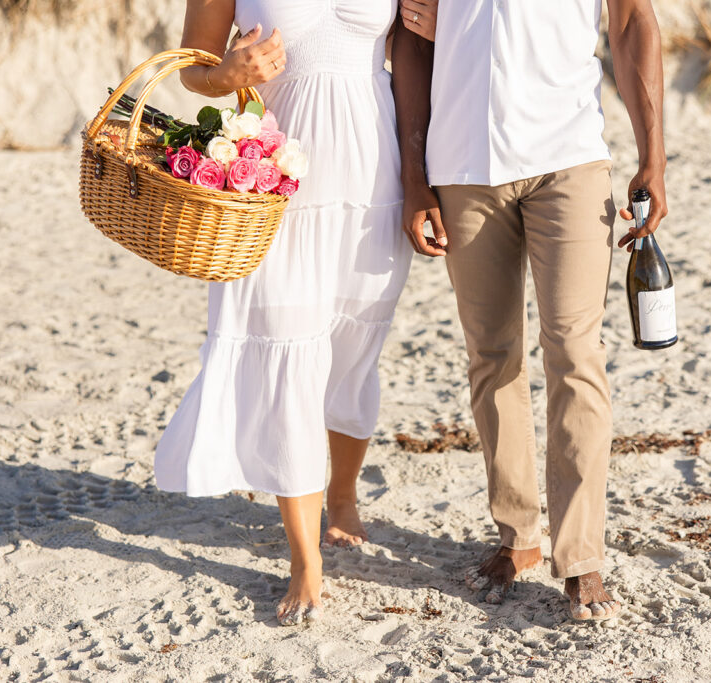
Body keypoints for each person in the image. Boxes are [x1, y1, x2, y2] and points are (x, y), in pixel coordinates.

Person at [393, 0, 668, 620]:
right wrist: (415, 174)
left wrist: (654, 151)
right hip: (463, 162)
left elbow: (630, 22)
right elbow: (410, 38)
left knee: (575, 350)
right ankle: (517, 538)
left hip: (568, 156)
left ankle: (582, 556)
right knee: (491, 355)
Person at [155, 0, 421, 626]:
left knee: (356, 348)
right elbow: (193, 69)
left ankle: (345, 494)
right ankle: (304, 558)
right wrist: (225, 75)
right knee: (287, 351)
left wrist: (419, 176)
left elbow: (412, 55)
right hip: (275, 175)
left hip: (373, 173)